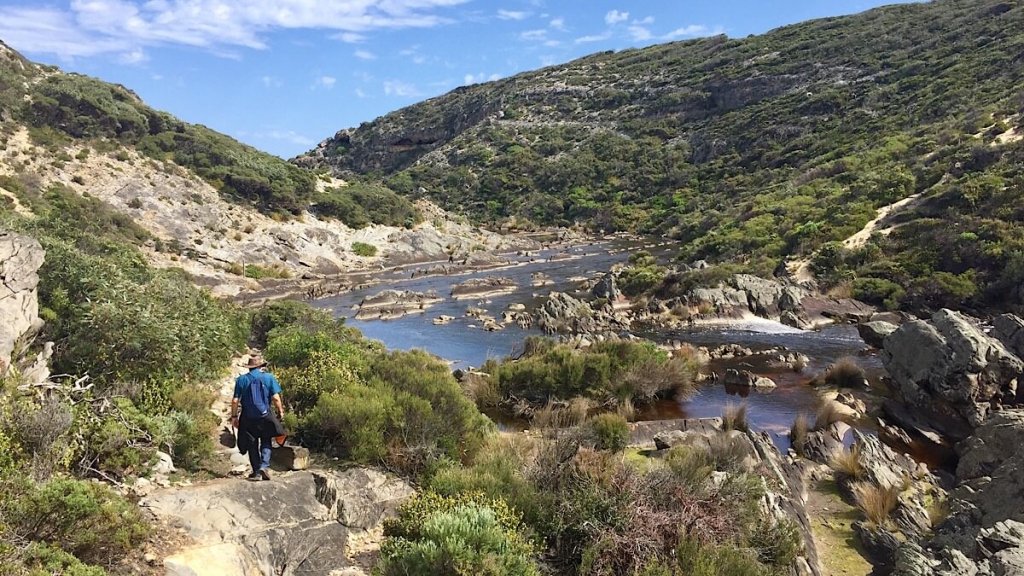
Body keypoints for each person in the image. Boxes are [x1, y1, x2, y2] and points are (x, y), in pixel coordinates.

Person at [231, 355, 286, 481]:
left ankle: (256, 472)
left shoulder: (241, 380)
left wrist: (234, 417)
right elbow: (276, 398)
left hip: (247, 417)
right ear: (261, 366)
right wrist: (280, 411)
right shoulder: (268, 378)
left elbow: (235, 401)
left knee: (252, 443)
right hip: (265, 415)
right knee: (266, 439)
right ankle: (264, 466)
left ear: (249, 368)